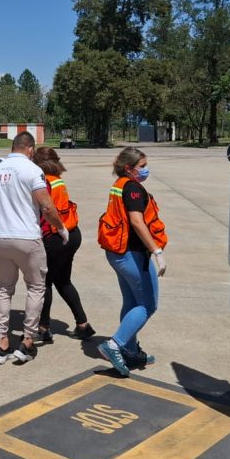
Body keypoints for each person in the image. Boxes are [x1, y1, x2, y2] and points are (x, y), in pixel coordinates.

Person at [0, 131, 67, 365]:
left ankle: (1, 342)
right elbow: (46, 207)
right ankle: (27, 340)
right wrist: (61, 227)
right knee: (36, 287)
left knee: (5, 288)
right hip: (28, 238)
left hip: (3, 238)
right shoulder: (32, 170)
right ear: (30, 149)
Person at [96, 147, 168, 377]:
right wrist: (156, 251)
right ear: (129, 168)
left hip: (117, 253)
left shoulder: (120, 184)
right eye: (142, 166)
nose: (146, 170)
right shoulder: (133, 188)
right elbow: (137, 221)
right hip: (131, 254)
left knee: (131, 302)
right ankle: (115, 344)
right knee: (148, 305)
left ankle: (129, 350)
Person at [31, 146, 93, 343]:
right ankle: (83, 325)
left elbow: (46, 210)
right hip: (72, 234)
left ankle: (43, 327)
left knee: (45, 283)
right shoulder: (57, 180)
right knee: (63, 281)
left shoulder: (43, 182)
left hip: (56, 236)